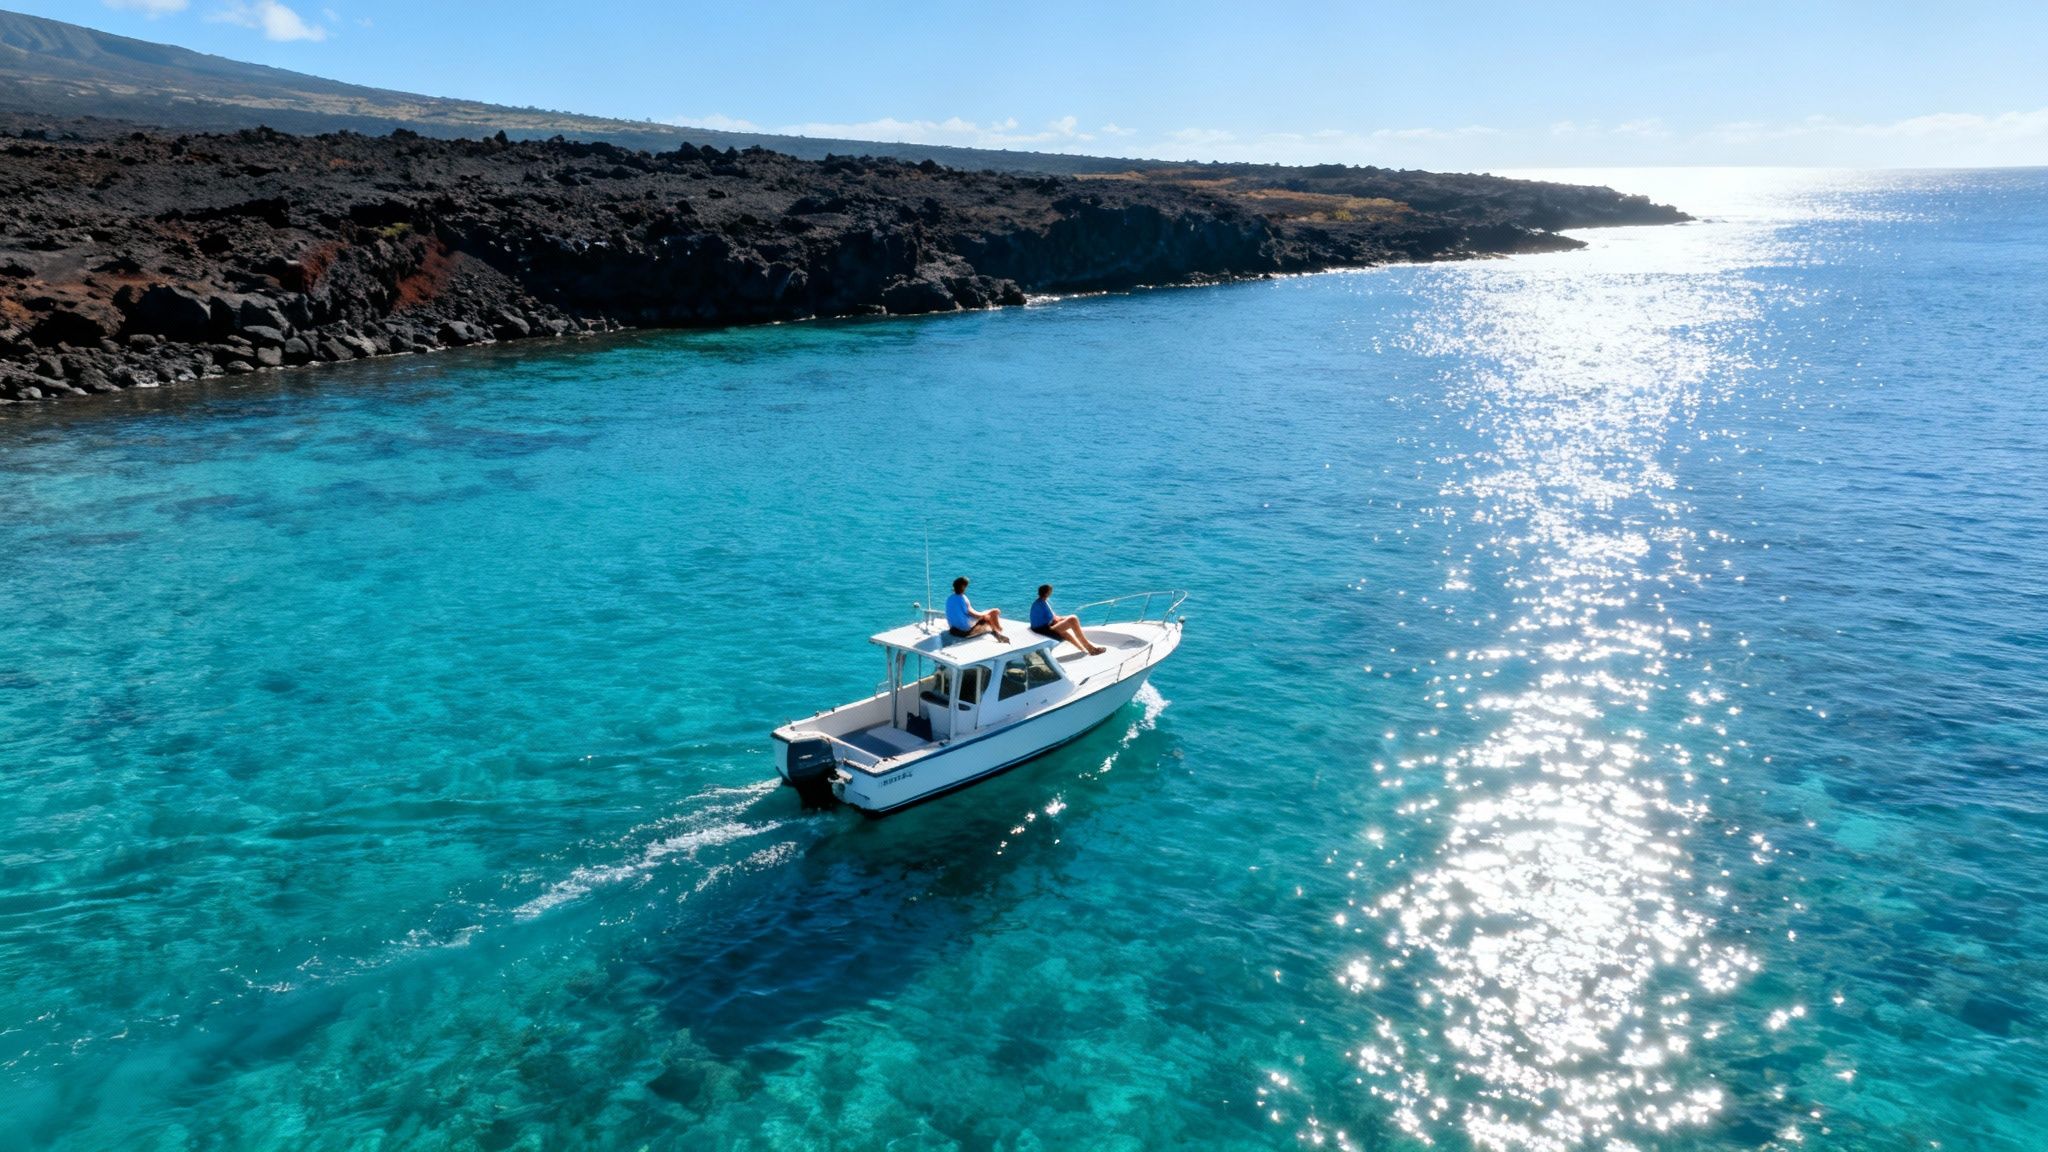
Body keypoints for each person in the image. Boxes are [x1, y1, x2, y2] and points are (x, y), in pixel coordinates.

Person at [1030, 584, 1107, 655]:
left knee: (1071, 620)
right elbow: (1050, 619)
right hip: (1044, 629)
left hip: (1044, 626)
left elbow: (1050, 617)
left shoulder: (1040, 601)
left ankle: (1083, 648)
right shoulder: (1042, 604)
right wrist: (1058, 620)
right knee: (1073, 619)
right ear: (1047, 593)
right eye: (1050, 591)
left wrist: (1059, 619)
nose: (1051, 592)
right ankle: (1091, 649)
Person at [944, 576, 1009, 643]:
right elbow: (974, 614)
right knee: (992, 613)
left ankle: (998, 631)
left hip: (953, 629)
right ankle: (999, 631)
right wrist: (989, 611)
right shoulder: (962, 598)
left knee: (986, 616)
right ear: (963, 587)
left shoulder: (950, 598)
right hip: (964, 631)